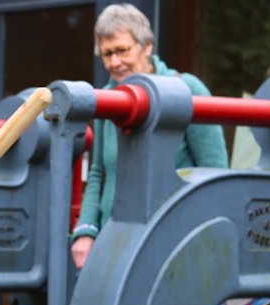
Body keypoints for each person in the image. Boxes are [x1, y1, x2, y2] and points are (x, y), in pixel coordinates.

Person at [70, 3, 228, 268]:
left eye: (122, 50)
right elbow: (98, 173)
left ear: (147, 47)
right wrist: (85, 231)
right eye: (107, 54)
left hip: (173, 246)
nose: (114, 62)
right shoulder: (106, 99)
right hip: (114, 244)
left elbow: (215, 172)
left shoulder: (186, 88)